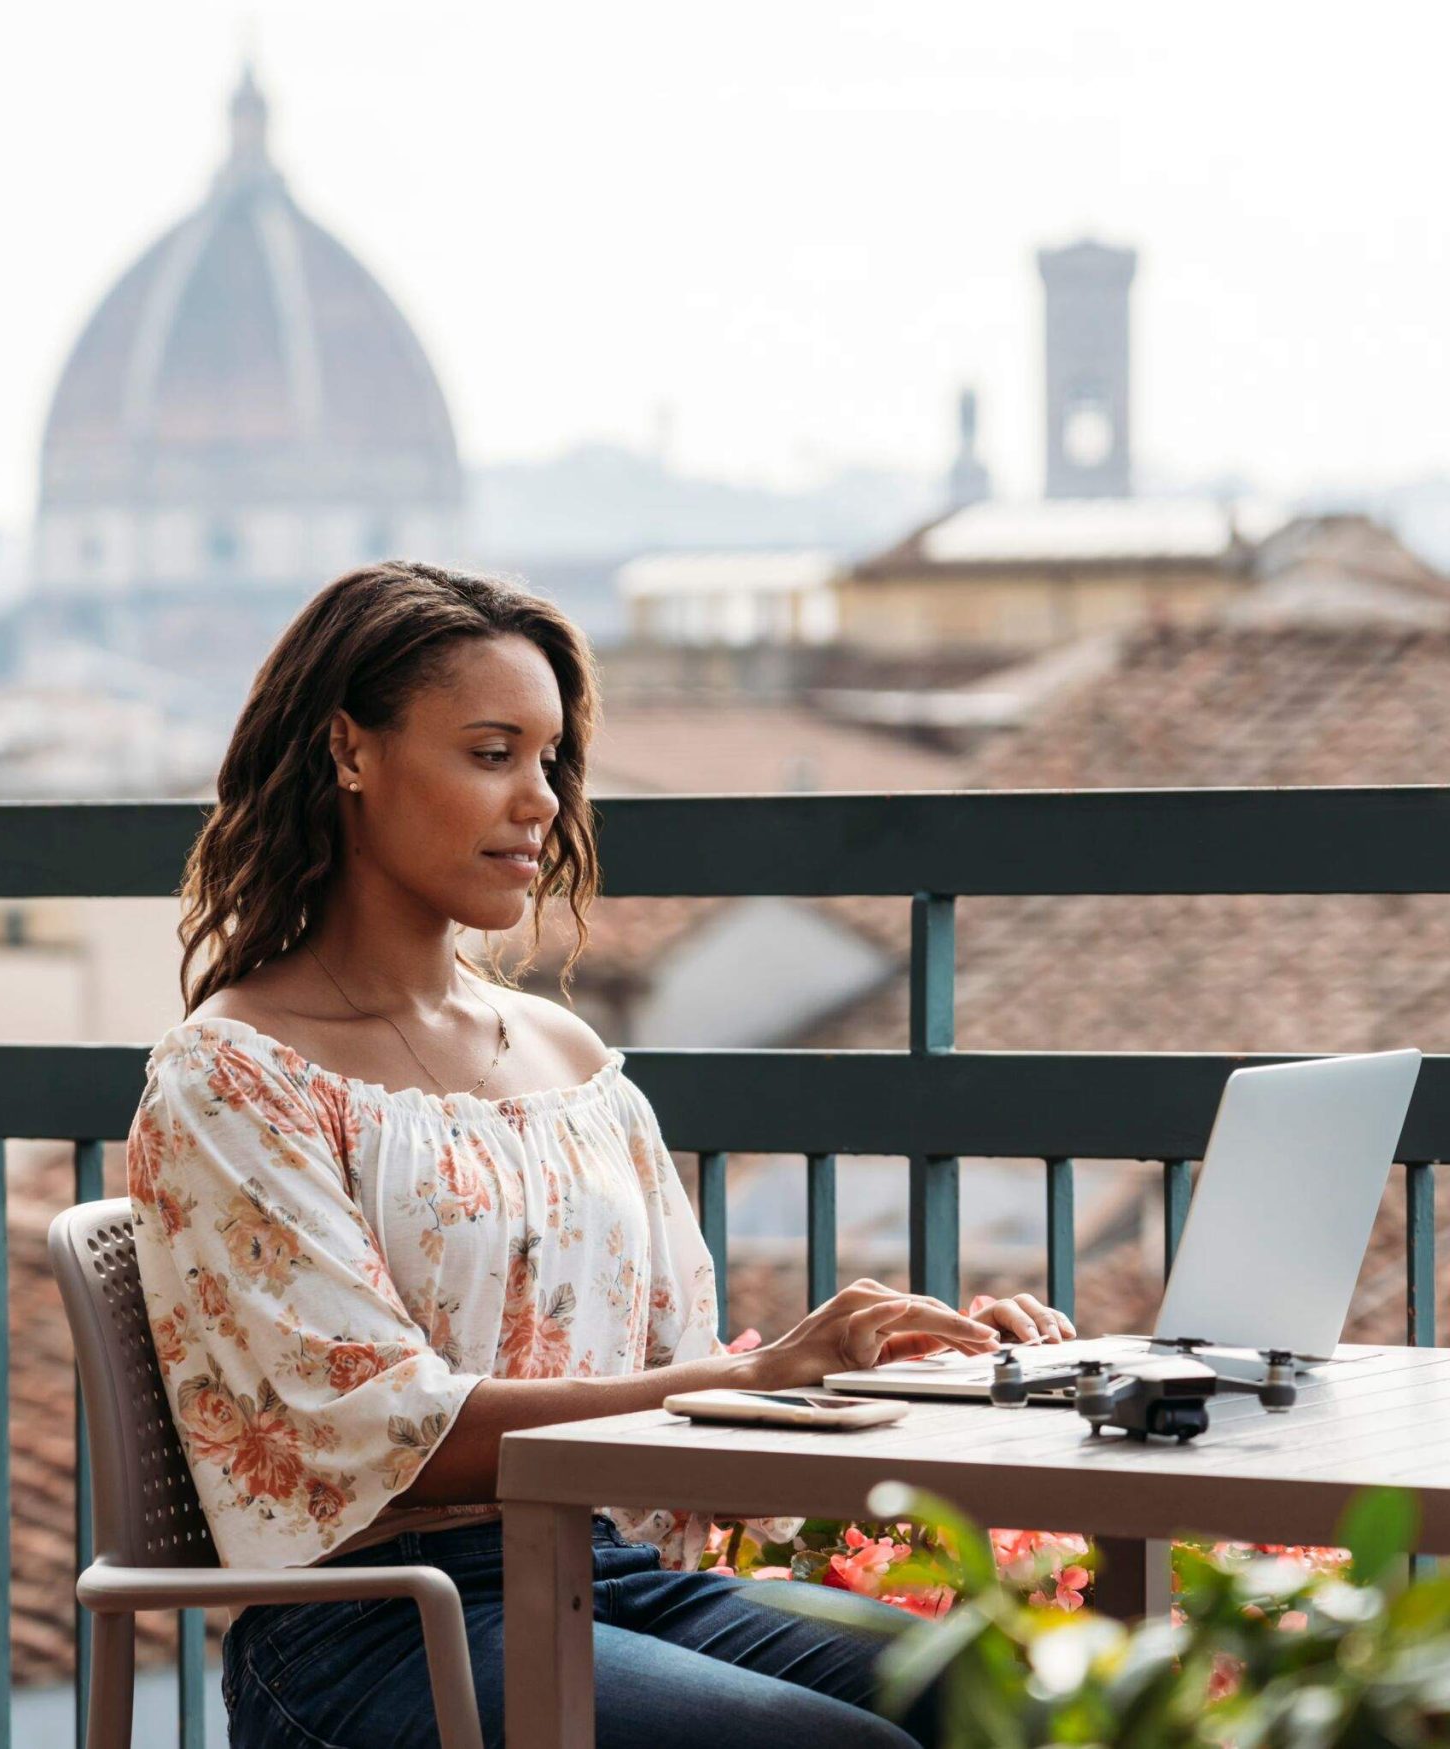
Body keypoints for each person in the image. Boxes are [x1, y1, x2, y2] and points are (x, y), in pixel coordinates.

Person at [128, 560, 1074, 1749]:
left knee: (1026, 1704)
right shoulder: (233, 1074)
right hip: (378, 1626)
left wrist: (927, 1365)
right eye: (490, 754)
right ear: (347, 751)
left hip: (611, 1580)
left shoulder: (570, 1058)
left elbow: (673, 1378)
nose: (541, 802)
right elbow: (379, 1430)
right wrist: (746, 1380)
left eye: (550, 760)